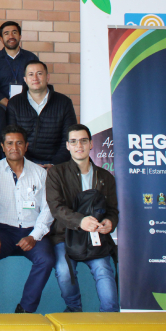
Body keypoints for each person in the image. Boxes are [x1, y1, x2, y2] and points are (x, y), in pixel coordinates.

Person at [0, 125, 55, 314]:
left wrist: (35, 236)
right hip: (3, 231)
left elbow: (48, 209)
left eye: (19, 143)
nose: (14, 147)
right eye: (10, 143)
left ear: (26, 146)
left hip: (31, 231)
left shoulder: (40, 173)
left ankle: (25, 309)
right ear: (2, 147)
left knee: (46, 259)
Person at [46, 124, 119, 313]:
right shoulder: (56, 173)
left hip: (96, 238)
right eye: (74, 141)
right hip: (65, 236)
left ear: (91, 144)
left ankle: (110, 317)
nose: (79, 145)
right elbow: (56, 208)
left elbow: (113, 210)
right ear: (67, 146)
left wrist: (110, 222)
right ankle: (74, 309)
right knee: (64, 271)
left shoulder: (106, 177)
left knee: (104, 272)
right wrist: (81, 221)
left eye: (83, 141)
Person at [6, 61, 77, 168]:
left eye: (39, 73)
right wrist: (29, 165)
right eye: (31, 74)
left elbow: (69, 138)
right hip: (23, 164)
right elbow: (10, 139)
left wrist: (54, 164)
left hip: (56, 164)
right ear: (25, 79)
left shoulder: (64, 102)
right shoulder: (14, 103)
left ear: (47, 77)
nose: (35, 78)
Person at [0, 21, 38, 107]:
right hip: (2, 107)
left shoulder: (31, 58)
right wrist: (11, 106)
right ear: (1, 39)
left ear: (20, 36)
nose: (11, 36)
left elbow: (36, 86)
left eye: (14, 32)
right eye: (6, 33)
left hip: (28, 106)